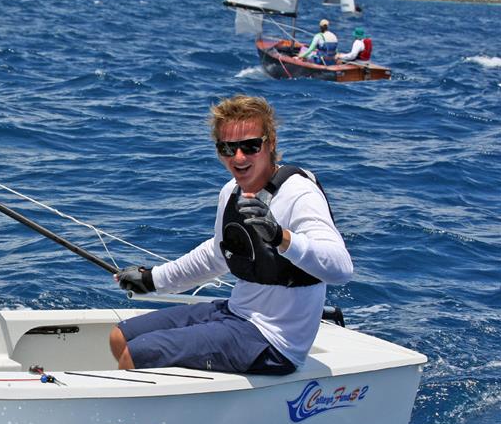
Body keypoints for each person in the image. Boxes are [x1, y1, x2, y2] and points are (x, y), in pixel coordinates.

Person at [109, 95, 352, 375]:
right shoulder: (230, 192)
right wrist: (152, 279)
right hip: (235, 313)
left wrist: (281, 238)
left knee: (138, 354)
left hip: (274, 342)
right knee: (121, 336)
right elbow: (216, 255)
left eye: (250, 146)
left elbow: (341, 269)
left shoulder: (299, 194)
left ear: (270, 143)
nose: (239, 158)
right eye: (228, 148)